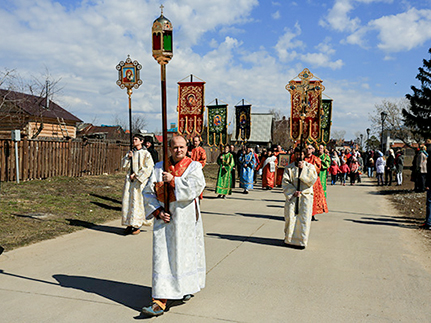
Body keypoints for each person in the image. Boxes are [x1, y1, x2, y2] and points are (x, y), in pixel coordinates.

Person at [141, 135, 206, 317]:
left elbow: (197, 187)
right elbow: (148, 192)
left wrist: (174, 180)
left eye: (182, 147)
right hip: (165, 221)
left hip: (185, 221)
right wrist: (157, 212)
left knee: (185, 255)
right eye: (175, 147)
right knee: (163, 257)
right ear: (169, 148)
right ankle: (159, 300)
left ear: (187, 148)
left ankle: (184, 286)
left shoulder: (194, 167)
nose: (179, 150)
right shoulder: (158, 167)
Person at [282, 147, 318, 249]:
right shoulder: (289, 168)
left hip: (305, 196)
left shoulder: (310, 167)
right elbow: (285, 182)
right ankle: (289, 239)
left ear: (304, 155)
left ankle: (301, 241)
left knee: (304, 219)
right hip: (293, 197)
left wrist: (303, 170)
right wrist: (293, 192)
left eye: (301, 154)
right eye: (297, 154)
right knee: (290, 217)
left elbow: (312, 180)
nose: (299, 156)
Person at [121, 134, 154, 235]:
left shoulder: (146, 153)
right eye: (133, 139)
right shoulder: (131, 152)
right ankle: (129, 224)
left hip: (139, 182)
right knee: (128, 202)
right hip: (130, 183)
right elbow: (124, 166)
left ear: (141, 141)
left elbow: (149, 167)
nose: (134, 141)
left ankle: (137, 225)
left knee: (138, 203)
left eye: (136, 139)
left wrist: (136, 175)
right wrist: (128, 157)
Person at [304, 144, 328, 221]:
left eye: (310, 148)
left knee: (313, 198)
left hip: (314, 181)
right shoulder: (303, 158)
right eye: (307, 148)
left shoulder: (315, 159)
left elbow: (318, 168)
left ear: (313, 150)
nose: (308, 150)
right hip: (304, 180)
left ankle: (312, 214)